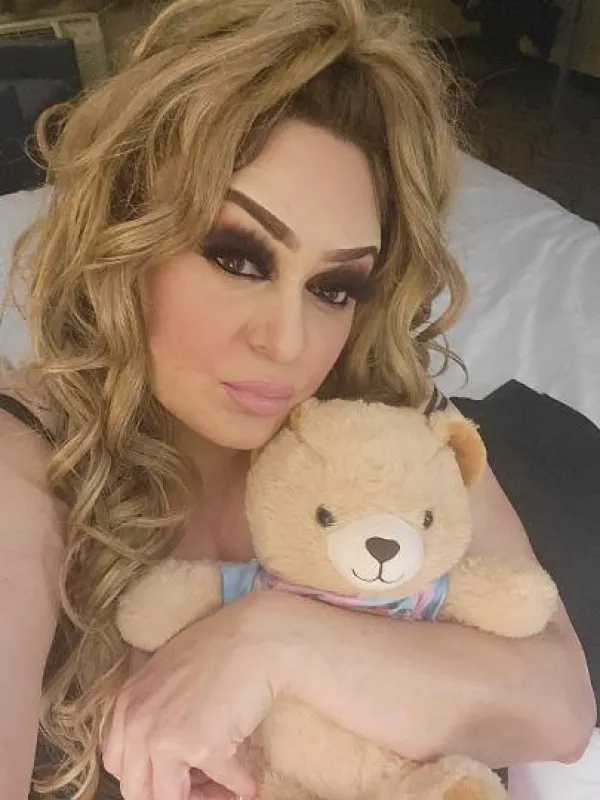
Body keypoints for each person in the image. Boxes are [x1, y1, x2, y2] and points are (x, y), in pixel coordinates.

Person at [0, 1, 595, 799]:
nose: (288, 344)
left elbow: (560, 705)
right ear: (126, 239)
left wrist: (275, 642)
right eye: (238, 258)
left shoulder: (381, 417)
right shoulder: (25, 459)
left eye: (334, 287)